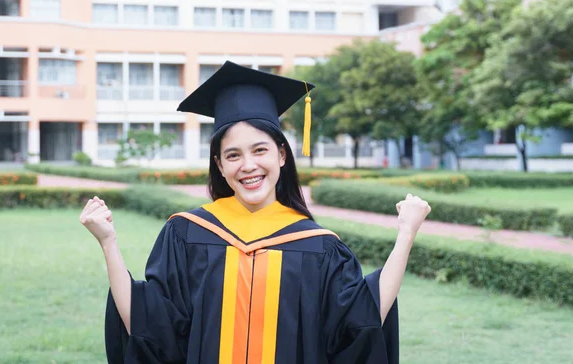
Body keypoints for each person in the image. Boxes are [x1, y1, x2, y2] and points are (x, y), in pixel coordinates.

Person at [79, 61, 431, 364]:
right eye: (233, 155)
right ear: (218, 164)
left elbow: (361, 323)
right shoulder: (186, 234)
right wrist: (108, 243)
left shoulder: (318, 247)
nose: (248, 166)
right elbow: (148, 327)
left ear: (281, 155)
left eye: (259, 150)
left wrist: (406, 235)